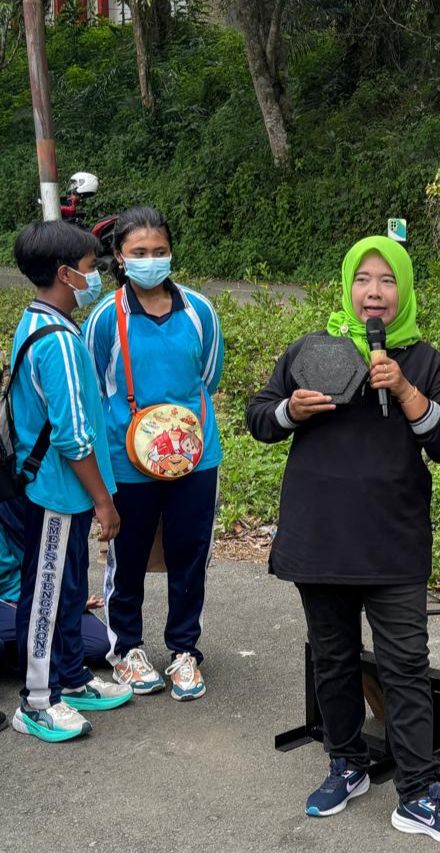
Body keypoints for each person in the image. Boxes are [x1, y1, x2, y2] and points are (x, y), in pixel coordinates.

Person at [246, 236, 440, 844]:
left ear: (403, 290)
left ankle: (419, 793)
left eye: (387, 280)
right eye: (362, 279)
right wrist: (291, 410)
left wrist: (404, 390)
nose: (373, 292)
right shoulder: (311, 350)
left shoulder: (421, 360)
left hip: (394, 541)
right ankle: (345, 763)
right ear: (348, 286)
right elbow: (259, 418)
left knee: (405, 664)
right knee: (334, 657)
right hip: (320, 536)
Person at [85, 206, 224, 701]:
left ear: (171, 252)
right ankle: (128, 650)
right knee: (129, 552)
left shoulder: (199, 311)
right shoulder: (106, 318)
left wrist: (180, 426)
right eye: (139, 253)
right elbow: (96, 386)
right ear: (120, 258)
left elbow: (207, 377)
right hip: (128, 462)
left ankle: (185, 650)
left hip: (195, 455)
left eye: (159, 251)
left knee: (191, 552)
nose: (150, 261)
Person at [7, 220, 132, 742]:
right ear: (64, 273)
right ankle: (37, 701)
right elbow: (73, 439)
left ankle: (71, 678)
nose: (96, 276)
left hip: (65, 492)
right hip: (58, 493)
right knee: (47, 595)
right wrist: (105, 503)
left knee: (69, 588)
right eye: (89, 268)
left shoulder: (42, 320)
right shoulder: (56, 341)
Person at [0, 501, 112, 668]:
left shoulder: (41, 505)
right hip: (8, 604)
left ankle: (27, 652)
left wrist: (70, 602)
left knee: (102, 646)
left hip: (46, 599)